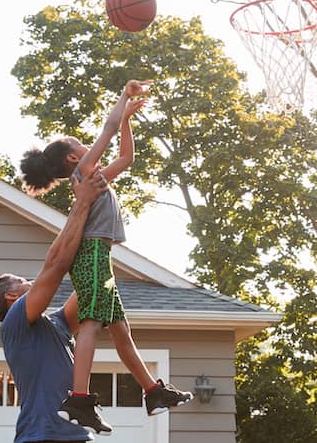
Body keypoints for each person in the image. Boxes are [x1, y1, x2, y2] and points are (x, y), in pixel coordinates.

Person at [18, 79, 192, 434]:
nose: (88, 145)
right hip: (92, 253)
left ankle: (153, 392)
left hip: (101, 256)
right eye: (82, 144)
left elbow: (126, 158)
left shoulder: (95, 179)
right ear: (73, 157)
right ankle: (79, 397)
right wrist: (123, 97)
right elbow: (108, 130)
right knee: (92, 324)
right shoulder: (83, 173)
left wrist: (127, 118)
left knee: (121, 331)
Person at [0, 170, 107, 443]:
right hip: (41, 436)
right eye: (22, 280)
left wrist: (99, 229)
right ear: (12, 298)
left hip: (76, 435)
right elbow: (55, 265)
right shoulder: (15, 321)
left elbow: (93, 288)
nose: (31, 281)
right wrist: (82, 203)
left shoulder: (57, 324)